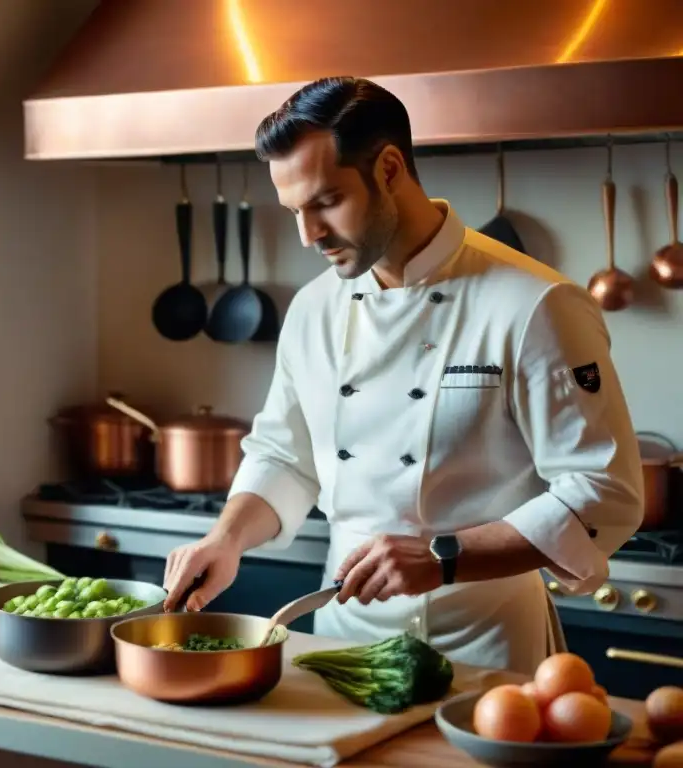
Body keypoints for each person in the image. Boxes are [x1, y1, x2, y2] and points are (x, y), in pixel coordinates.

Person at [161, 76, 644, 675]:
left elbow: (605, 491)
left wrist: (444, 558)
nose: (309, 236)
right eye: (294, 212)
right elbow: (285, 455)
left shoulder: (535, 303)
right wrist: (226, 538)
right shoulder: (313, 309)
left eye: (325, 202)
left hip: (487, 649)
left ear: (390, 168)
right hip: (341, 642)